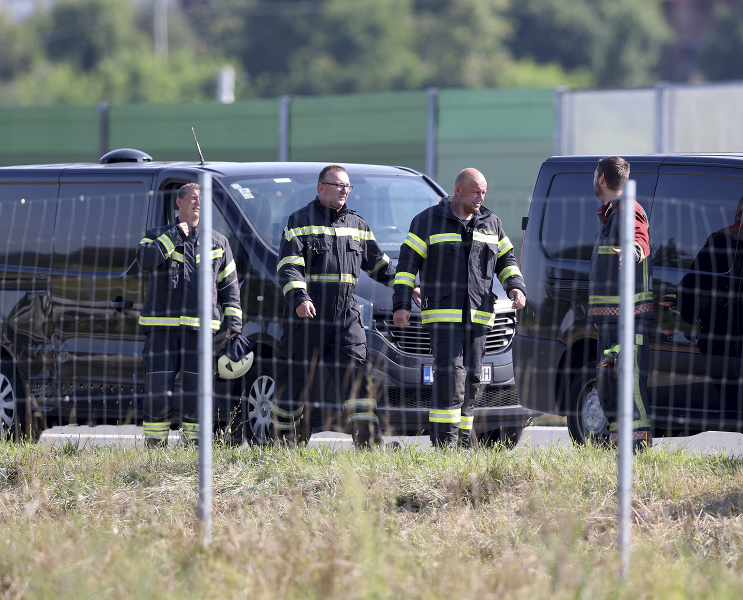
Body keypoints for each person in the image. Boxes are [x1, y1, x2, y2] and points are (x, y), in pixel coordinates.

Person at [392, 168, 526, 449]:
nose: (481, 197)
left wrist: (515, 287)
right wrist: (402, 304)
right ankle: (444, 446)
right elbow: (406, 267)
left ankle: (463, 446)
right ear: (458, 191)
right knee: (451, 377)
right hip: (443, 318)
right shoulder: (427, 221)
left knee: (473, 378)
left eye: (484, 192)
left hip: (479, 317)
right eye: (476, 191)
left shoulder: (492, 223)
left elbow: (507, 259)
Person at [273, 165, 396, 447]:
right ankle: (284, 446)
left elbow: (380, 265)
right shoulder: (299, 222)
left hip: (346, 318)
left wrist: (406, 285)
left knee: (358, 383)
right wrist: (300, 298)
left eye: (348, 187)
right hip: (307, 317)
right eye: (339, 185)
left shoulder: (357, 225)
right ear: (321, 188)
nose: (344, 191)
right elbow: (288, 267)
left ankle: (368, 447)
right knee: (293, 381)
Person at [136, 182, 243, 446]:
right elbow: (144, 260)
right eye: (193, 198)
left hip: (201, 330)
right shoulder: (156, 234)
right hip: (162, 328)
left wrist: (234, 320)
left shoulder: (218, 242)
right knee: (158, 392)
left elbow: (229, 284)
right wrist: (174, 236)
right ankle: (154, 448)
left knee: (197, 393)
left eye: (202, 200)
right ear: (179, 202)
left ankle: (194, 449)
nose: (198, 203)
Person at [588, 156, 654, 452]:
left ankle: (637, 452)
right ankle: (619, 451)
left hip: (629, 319)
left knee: (630, 383)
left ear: (601, 178)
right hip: (609, 321)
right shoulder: (610, 213)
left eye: (594, 174)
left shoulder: (629, 209)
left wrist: (632, 250)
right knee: (610, 383)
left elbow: (638, 239)